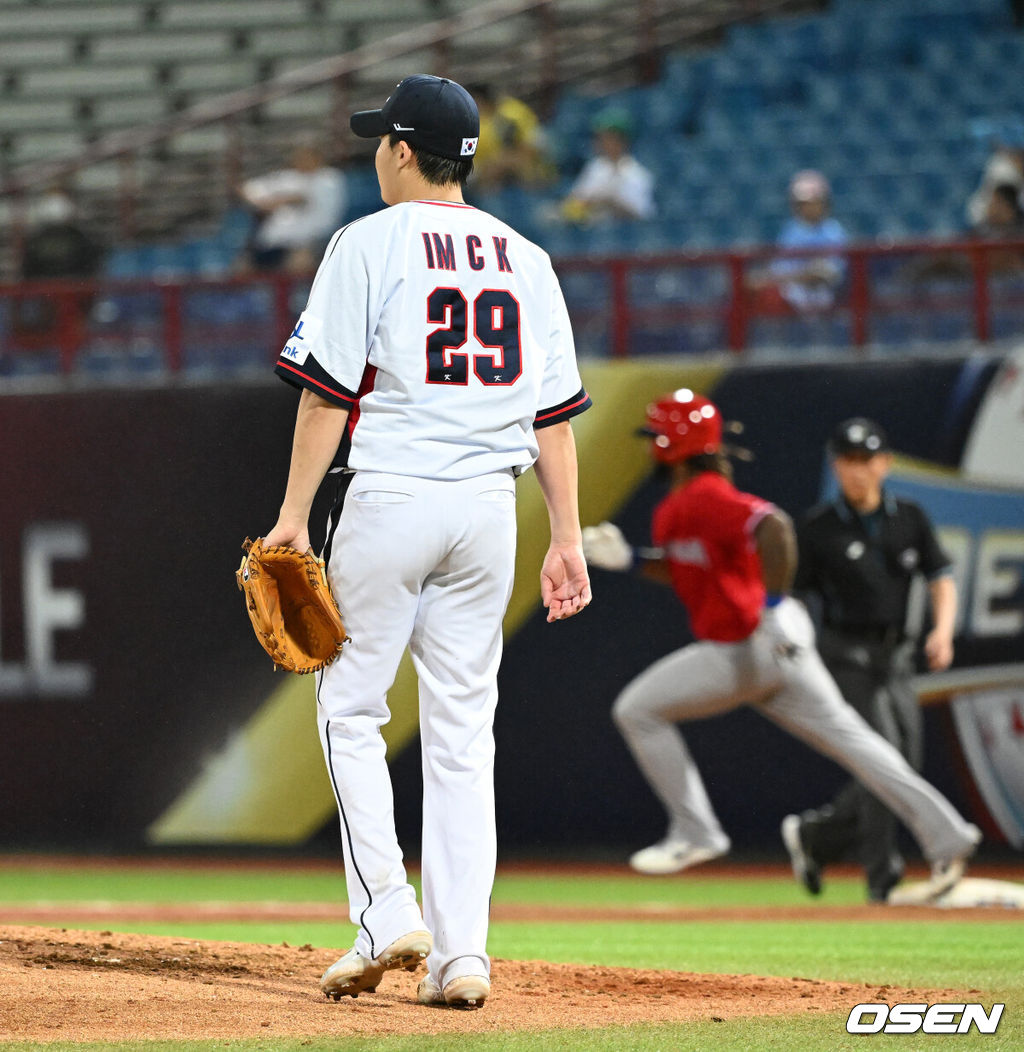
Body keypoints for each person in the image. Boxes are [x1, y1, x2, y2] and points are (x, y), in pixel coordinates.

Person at [262, 75, 592, 1010]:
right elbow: (556, 419)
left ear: (404, 151)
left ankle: (385, 913)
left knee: (349, 712)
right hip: (491, 509)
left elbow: (329, 390)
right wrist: (564, 535)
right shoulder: (526, 256)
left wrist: (292, 517)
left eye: (380, 141)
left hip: (394, 494)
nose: (374, 154)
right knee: (462, 738)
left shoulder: (365, 243)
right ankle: (462, 957)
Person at [582, 390, 980, 896]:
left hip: (748, 645)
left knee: (636, 710)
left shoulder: (703, 495)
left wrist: (770, 606)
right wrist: (634, 560)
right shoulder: (689, 502)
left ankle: (695, 830)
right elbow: (690, 568)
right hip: (780, 645)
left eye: (654, 439)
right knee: (860, 745)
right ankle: (949, 835)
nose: (648, 449)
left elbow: (775, 527)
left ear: (669, 444)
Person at [781, 418, 960, 902]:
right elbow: (792, 598)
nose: (856, 471)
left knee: (903, 767)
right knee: (884, 761)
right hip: (846, 654)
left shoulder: (911, 519)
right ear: (836, 465)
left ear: (884, 463)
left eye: (865, 460)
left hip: (898, 655)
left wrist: (942, 632)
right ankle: (882, 880)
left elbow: (941, 578)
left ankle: (817, 836)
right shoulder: (818, 528)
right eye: (847, 461)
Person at [747, 170, 848, 314]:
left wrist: (785, 276)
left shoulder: (833, 231)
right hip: (793, 299)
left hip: (826, 300)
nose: (807, 207)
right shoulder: (791, 230)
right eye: (802, 203)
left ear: (824, 203)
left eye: (812, 202)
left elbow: (827, 274)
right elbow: (780, 268)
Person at [236, 143, 346, 272]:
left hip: (312, 240)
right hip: (274, 241)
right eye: (299, 157)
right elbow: (244, 189)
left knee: (299, 262)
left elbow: (302, 198)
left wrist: (280, 200)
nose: (301, 161)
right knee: (242, 266)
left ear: (317, 158)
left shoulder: (329, 178)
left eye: (306, 157)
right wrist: (262, 204)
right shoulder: (288, 177)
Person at [560, 108, 655, 223]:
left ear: (622, 140)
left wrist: (610, 202)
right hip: (591, 230)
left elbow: (642, 216)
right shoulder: (595, 167)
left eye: (608, 138)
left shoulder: (637, 174)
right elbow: (576, 200)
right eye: (600, 138)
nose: (602, 142)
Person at [465, 82, 553, 190]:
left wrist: (506, 161)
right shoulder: (473, 123)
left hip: (529, 176)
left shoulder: (512, 112)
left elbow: (536, 144)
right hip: (488, 182)